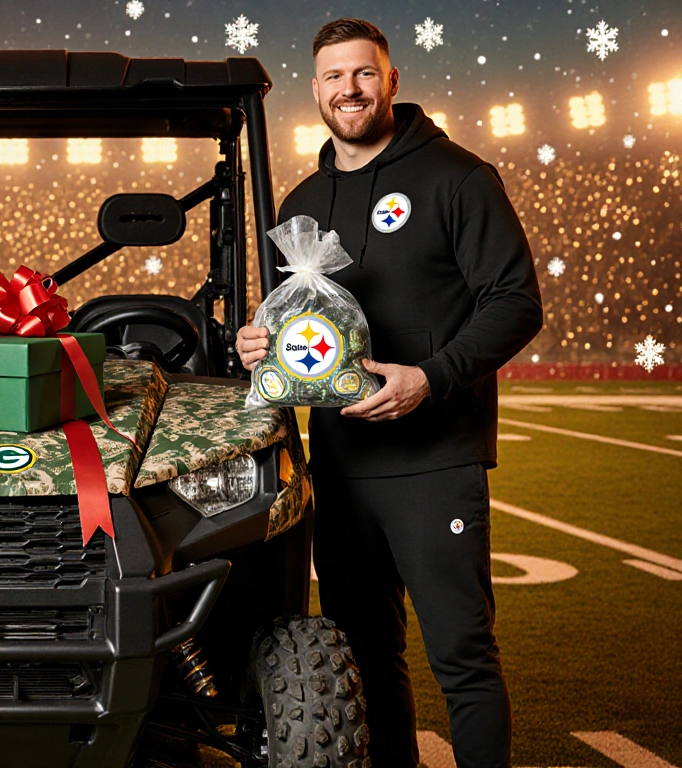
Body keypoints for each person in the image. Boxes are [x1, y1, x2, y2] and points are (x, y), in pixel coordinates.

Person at [236, 19, 543, 768]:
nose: (349, 89)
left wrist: (430, 377)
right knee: (365, 653)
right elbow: (301, 329)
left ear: (392, 81)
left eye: (364, 74)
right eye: (334, 77)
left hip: (434, 458)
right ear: (315, 90)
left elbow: (515, 301)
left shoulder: (458, 177)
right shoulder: (303, 201)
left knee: (461, 654)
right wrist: (260, 346)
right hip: (339, 462)